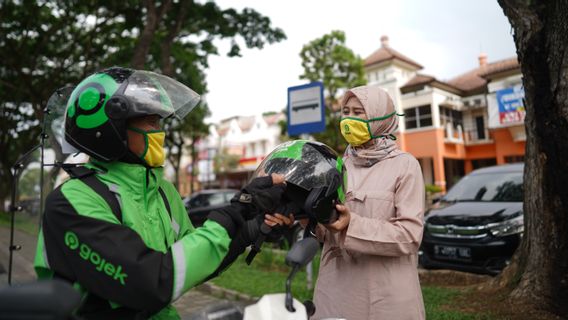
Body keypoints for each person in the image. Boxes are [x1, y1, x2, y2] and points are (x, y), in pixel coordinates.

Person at [33, 67, 289, 319]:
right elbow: (150, 282)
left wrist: (250, 230)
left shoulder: (162, 191)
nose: (160, 132)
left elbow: (194, 264)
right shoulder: (72, 200)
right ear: (111, 128)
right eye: (150, 121)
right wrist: (236, 210)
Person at [311, 85, 426, 320]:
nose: (349, 119)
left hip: (386, 298)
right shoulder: (336, 166)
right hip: (335, 294)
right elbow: (324, 232)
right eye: (345, 111)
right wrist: (311, 219)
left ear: (379, 117)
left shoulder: (405, 165)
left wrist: (351, 225)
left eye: (358, 112)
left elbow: (409, 236)